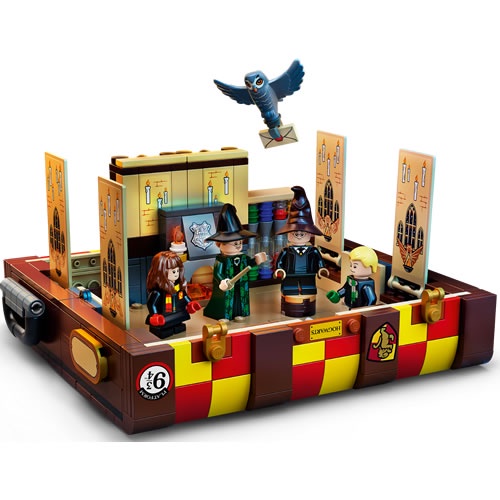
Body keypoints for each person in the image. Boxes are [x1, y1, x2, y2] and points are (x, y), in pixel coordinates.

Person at [203, 203, 266, 321]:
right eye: (235, 243)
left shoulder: (243, 257)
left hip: (241, 284)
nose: (238, 246)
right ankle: (224, 315)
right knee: (226, 299)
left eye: (240, 242)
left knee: (239, 298)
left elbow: (249, 264)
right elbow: (217, 273)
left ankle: (239, 313)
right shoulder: (221, 259)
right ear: (219, 244)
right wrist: (222, 281)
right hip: (227, 284)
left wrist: (257, 260)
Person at [274, 186, 328, 317]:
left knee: (309, 288)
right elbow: (280, 262)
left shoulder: (313, 250)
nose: (298, 235)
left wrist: (321, 268)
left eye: (302, 233)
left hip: (308, 274)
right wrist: (279, 269)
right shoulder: (286, 251)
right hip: (290, 275)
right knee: (289, 289)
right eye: (295, 233)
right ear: (288, 234)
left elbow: (319, 261)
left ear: (309, 234)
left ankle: (307, 299)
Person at [145, 251, 201, 338]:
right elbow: (151, 304)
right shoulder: (159, 292)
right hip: (164, 317)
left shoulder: (178, 287)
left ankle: (176, 326)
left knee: (179, 327)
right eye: (173, 272)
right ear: (161, 272)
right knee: (164, 331)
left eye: (178, 270)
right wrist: (154, 315)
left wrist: (190, 303)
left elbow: (184, 296)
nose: (176, 274)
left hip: (178, 314)